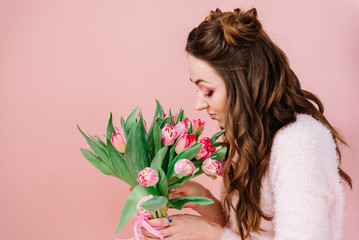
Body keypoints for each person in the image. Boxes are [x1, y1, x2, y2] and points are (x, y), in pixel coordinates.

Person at [142, 7, 352, 240]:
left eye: (208, 90)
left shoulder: (299, 141)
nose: (199, 104)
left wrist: (212, 234)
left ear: (243, 82)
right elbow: (247, 234)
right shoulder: (248, 139)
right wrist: (203, 201)